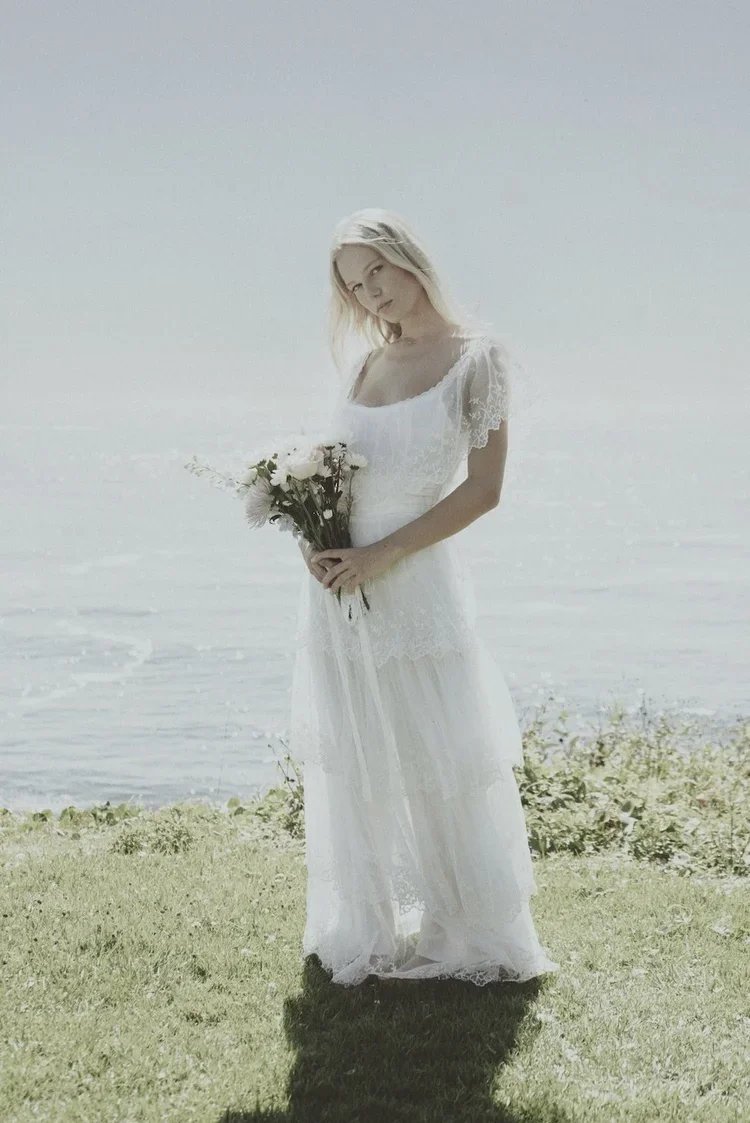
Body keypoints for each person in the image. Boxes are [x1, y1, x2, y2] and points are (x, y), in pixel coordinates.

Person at [290, 207, 559, 987]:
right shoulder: (365, 365)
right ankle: (366, 922)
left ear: (409, 259)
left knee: (438, 762)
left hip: (412, 584)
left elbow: (483, 490)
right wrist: (316, 534)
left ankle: (469, 927)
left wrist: (382, 555)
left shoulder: (480, 361)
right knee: (358, 759)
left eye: (377, 270)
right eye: (354, 285)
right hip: (338, 589)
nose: (371, 292)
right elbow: (338, 468)